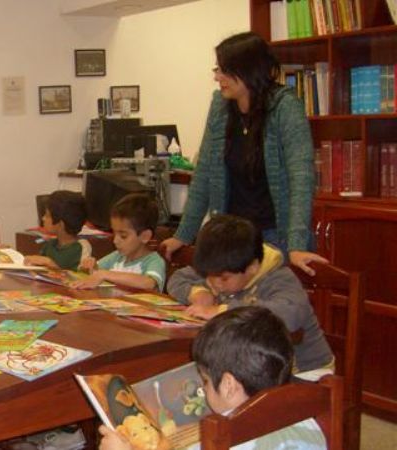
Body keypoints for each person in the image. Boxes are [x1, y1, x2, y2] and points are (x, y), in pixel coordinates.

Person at [158, 32, 328, 276]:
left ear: (248, 70)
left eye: (224, 70)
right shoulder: (220, 107)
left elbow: (300, 179)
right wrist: (183, 235)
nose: (217, 77)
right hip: (231, 235)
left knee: (260, 306)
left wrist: (297, 245)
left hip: (274, 235)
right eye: (217, 69)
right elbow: (204, 175)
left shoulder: (285, 107)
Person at [98, 306, 328, 450]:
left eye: (205, 381)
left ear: (229, 385)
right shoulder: (307, 416)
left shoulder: (218, 437)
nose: (202, 388)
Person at [167, 214, 334, 377]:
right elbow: (178, 278)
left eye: (224, 278)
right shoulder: (222, 266)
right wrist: (197, 293)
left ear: (252, 267)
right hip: (254, 366)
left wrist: (222, 311)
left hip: (304, 373)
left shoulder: (279, 278)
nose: (216, 284)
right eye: (210, 275)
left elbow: (290, 314)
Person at [72, 194, 165, 291]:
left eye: (123, 236)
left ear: (145, 236)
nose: (115, 240)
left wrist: (104, 274)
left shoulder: (154, 261)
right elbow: (94, 274)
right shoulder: (116, 257)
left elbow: (148, 283)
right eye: (113, 233)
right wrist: (88, 267)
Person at [23, 190, 91, 270]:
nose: (43, 218)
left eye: (47, 216)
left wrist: (50, 264)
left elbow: (82, 279)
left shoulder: (81, 247)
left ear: (60, 224)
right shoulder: (49, 245)